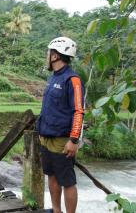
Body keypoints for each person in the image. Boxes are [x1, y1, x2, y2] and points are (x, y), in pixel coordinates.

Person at [36, 37, 84, 213]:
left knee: (68, 182)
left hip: (62, 141)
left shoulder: (72, 80)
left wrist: (73, 139)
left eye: (48, 53)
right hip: (46, 137)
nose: (46, 56)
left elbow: (79, 111)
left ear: (55, 56)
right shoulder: (52, 78)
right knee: (52, 176)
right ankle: (57, 210)